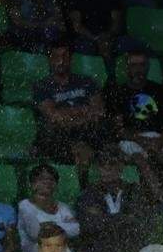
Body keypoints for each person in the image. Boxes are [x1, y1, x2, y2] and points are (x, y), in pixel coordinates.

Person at [105, 47, 163, 205]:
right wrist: (141, 140)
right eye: (133, 65)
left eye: (142, 65)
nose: (138, 69)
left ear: (147, 67)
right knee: (141, 159)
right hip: (131, 140)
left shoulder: (161, 90)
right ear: (127, 68)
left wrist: (162, 141)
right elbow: (118, 129)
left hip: (159, 137)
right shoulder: (117, 92)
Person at [30, 41, 108, 169]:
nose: (61, 60)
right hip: (60, 135)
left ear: (71, 59)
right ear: (50, 59)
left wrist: (67, 115)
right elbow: (53, 116)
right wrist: (83, 110)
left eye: (65, 56)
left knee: (104, 128)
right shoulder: (41, 86)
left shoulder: (87, 82)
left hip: (86, 132)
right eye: (56, 56)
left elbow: (99, 111)